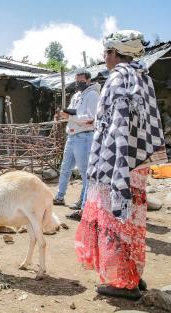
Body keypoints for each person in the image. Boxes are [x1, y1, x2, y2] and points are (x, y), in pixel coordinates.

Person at [75, 30, 167, 300]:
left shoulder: (117, 78)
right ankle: (133, 276)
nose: (104, 58)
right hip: (136, 163)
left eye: (106, 53)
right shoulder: (143, 77)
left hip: (116, 162)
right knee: (132, 220)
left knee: (113, 220)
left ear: (115, 53)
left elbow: (115, 128)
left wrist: (114, 168)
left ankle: (119, 282)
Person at [52, 70, 100, 221]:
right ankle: (60, 196)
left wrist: (70, 116)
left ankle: (83, 204)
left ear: (88, 80)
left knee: (85, 172)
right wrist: (65, 114)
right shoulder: (76, 95)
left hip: (84, 136)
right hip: (72, 135)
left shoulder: (93, 95)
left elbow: (91, 118)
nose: (78, 83)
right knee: (65, 168)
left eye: (81, 80)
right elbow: (74, 112)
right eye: (77, 80)